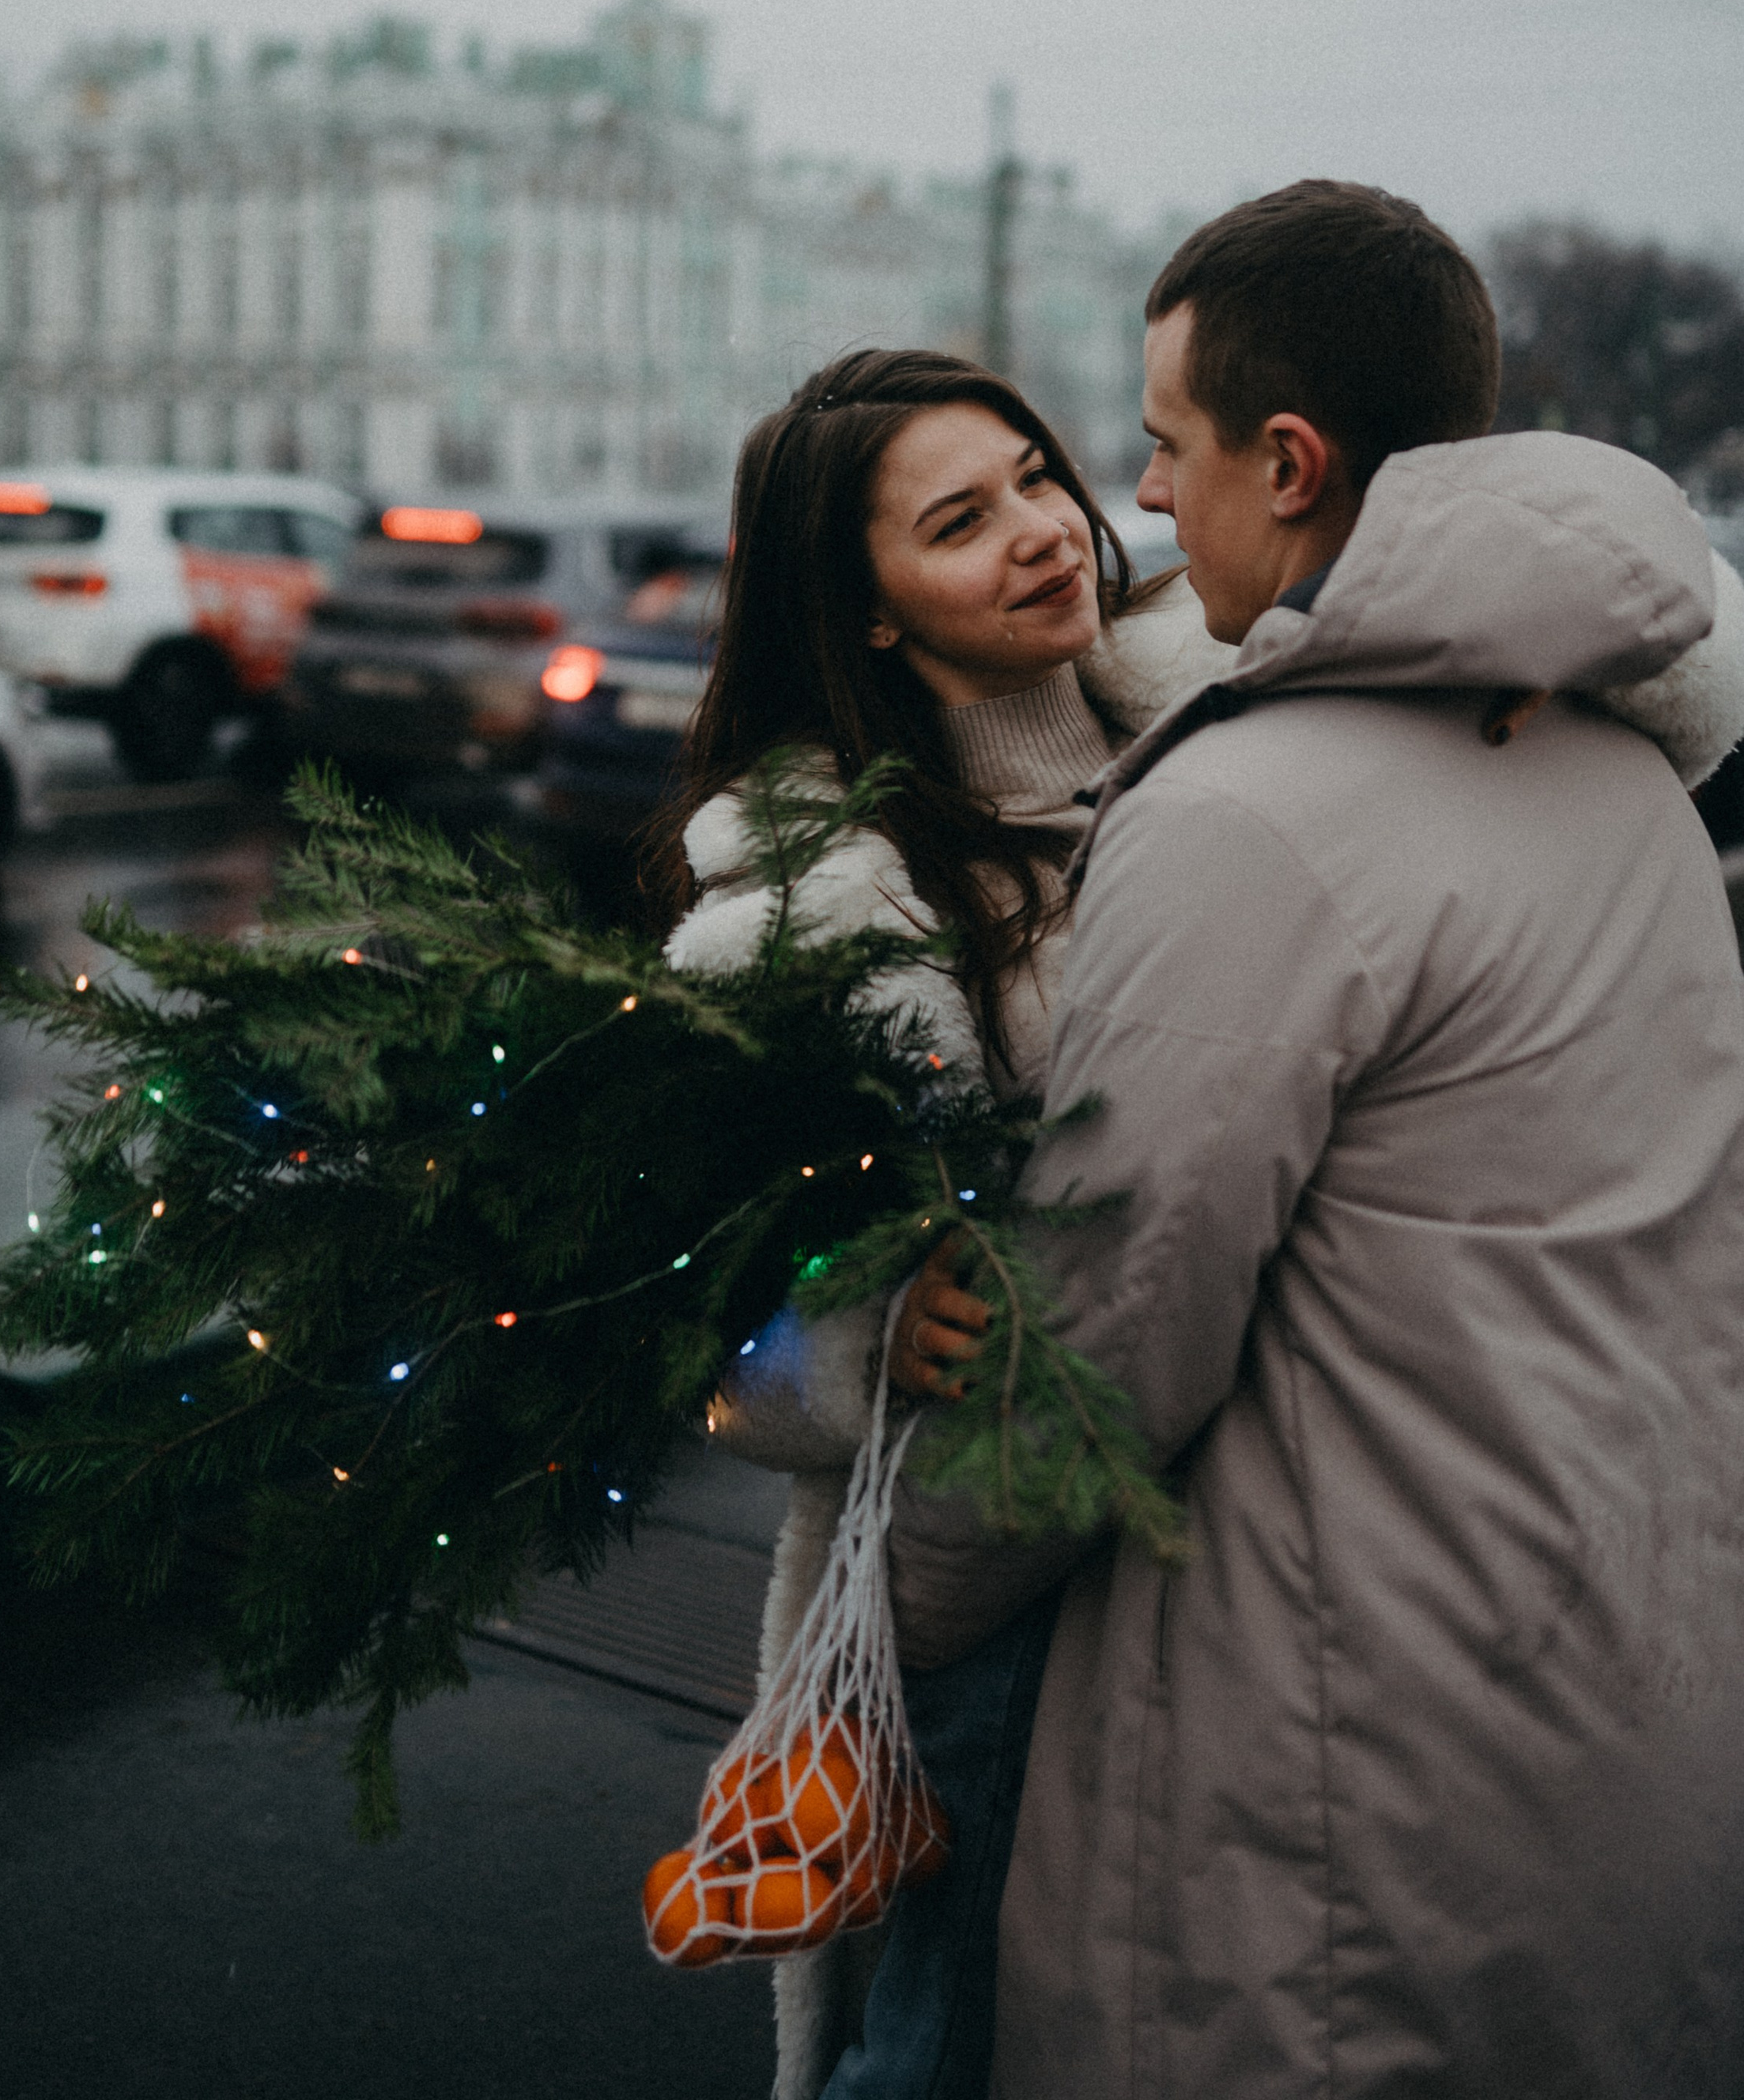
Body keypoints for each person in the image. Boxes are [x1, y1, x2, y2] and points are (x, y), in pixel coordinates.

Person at [659, 303, 1742, 2099]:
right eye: (958, 523)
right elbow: (701, 1320)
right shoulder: (824, 907)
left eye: (1037, 478)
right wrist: (860, 1334)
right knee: (937, 2041)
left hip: (1249, 1556)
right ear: (862, 611)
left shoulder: (1247, 729)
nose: (1042, 532)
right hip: (993, 1581)